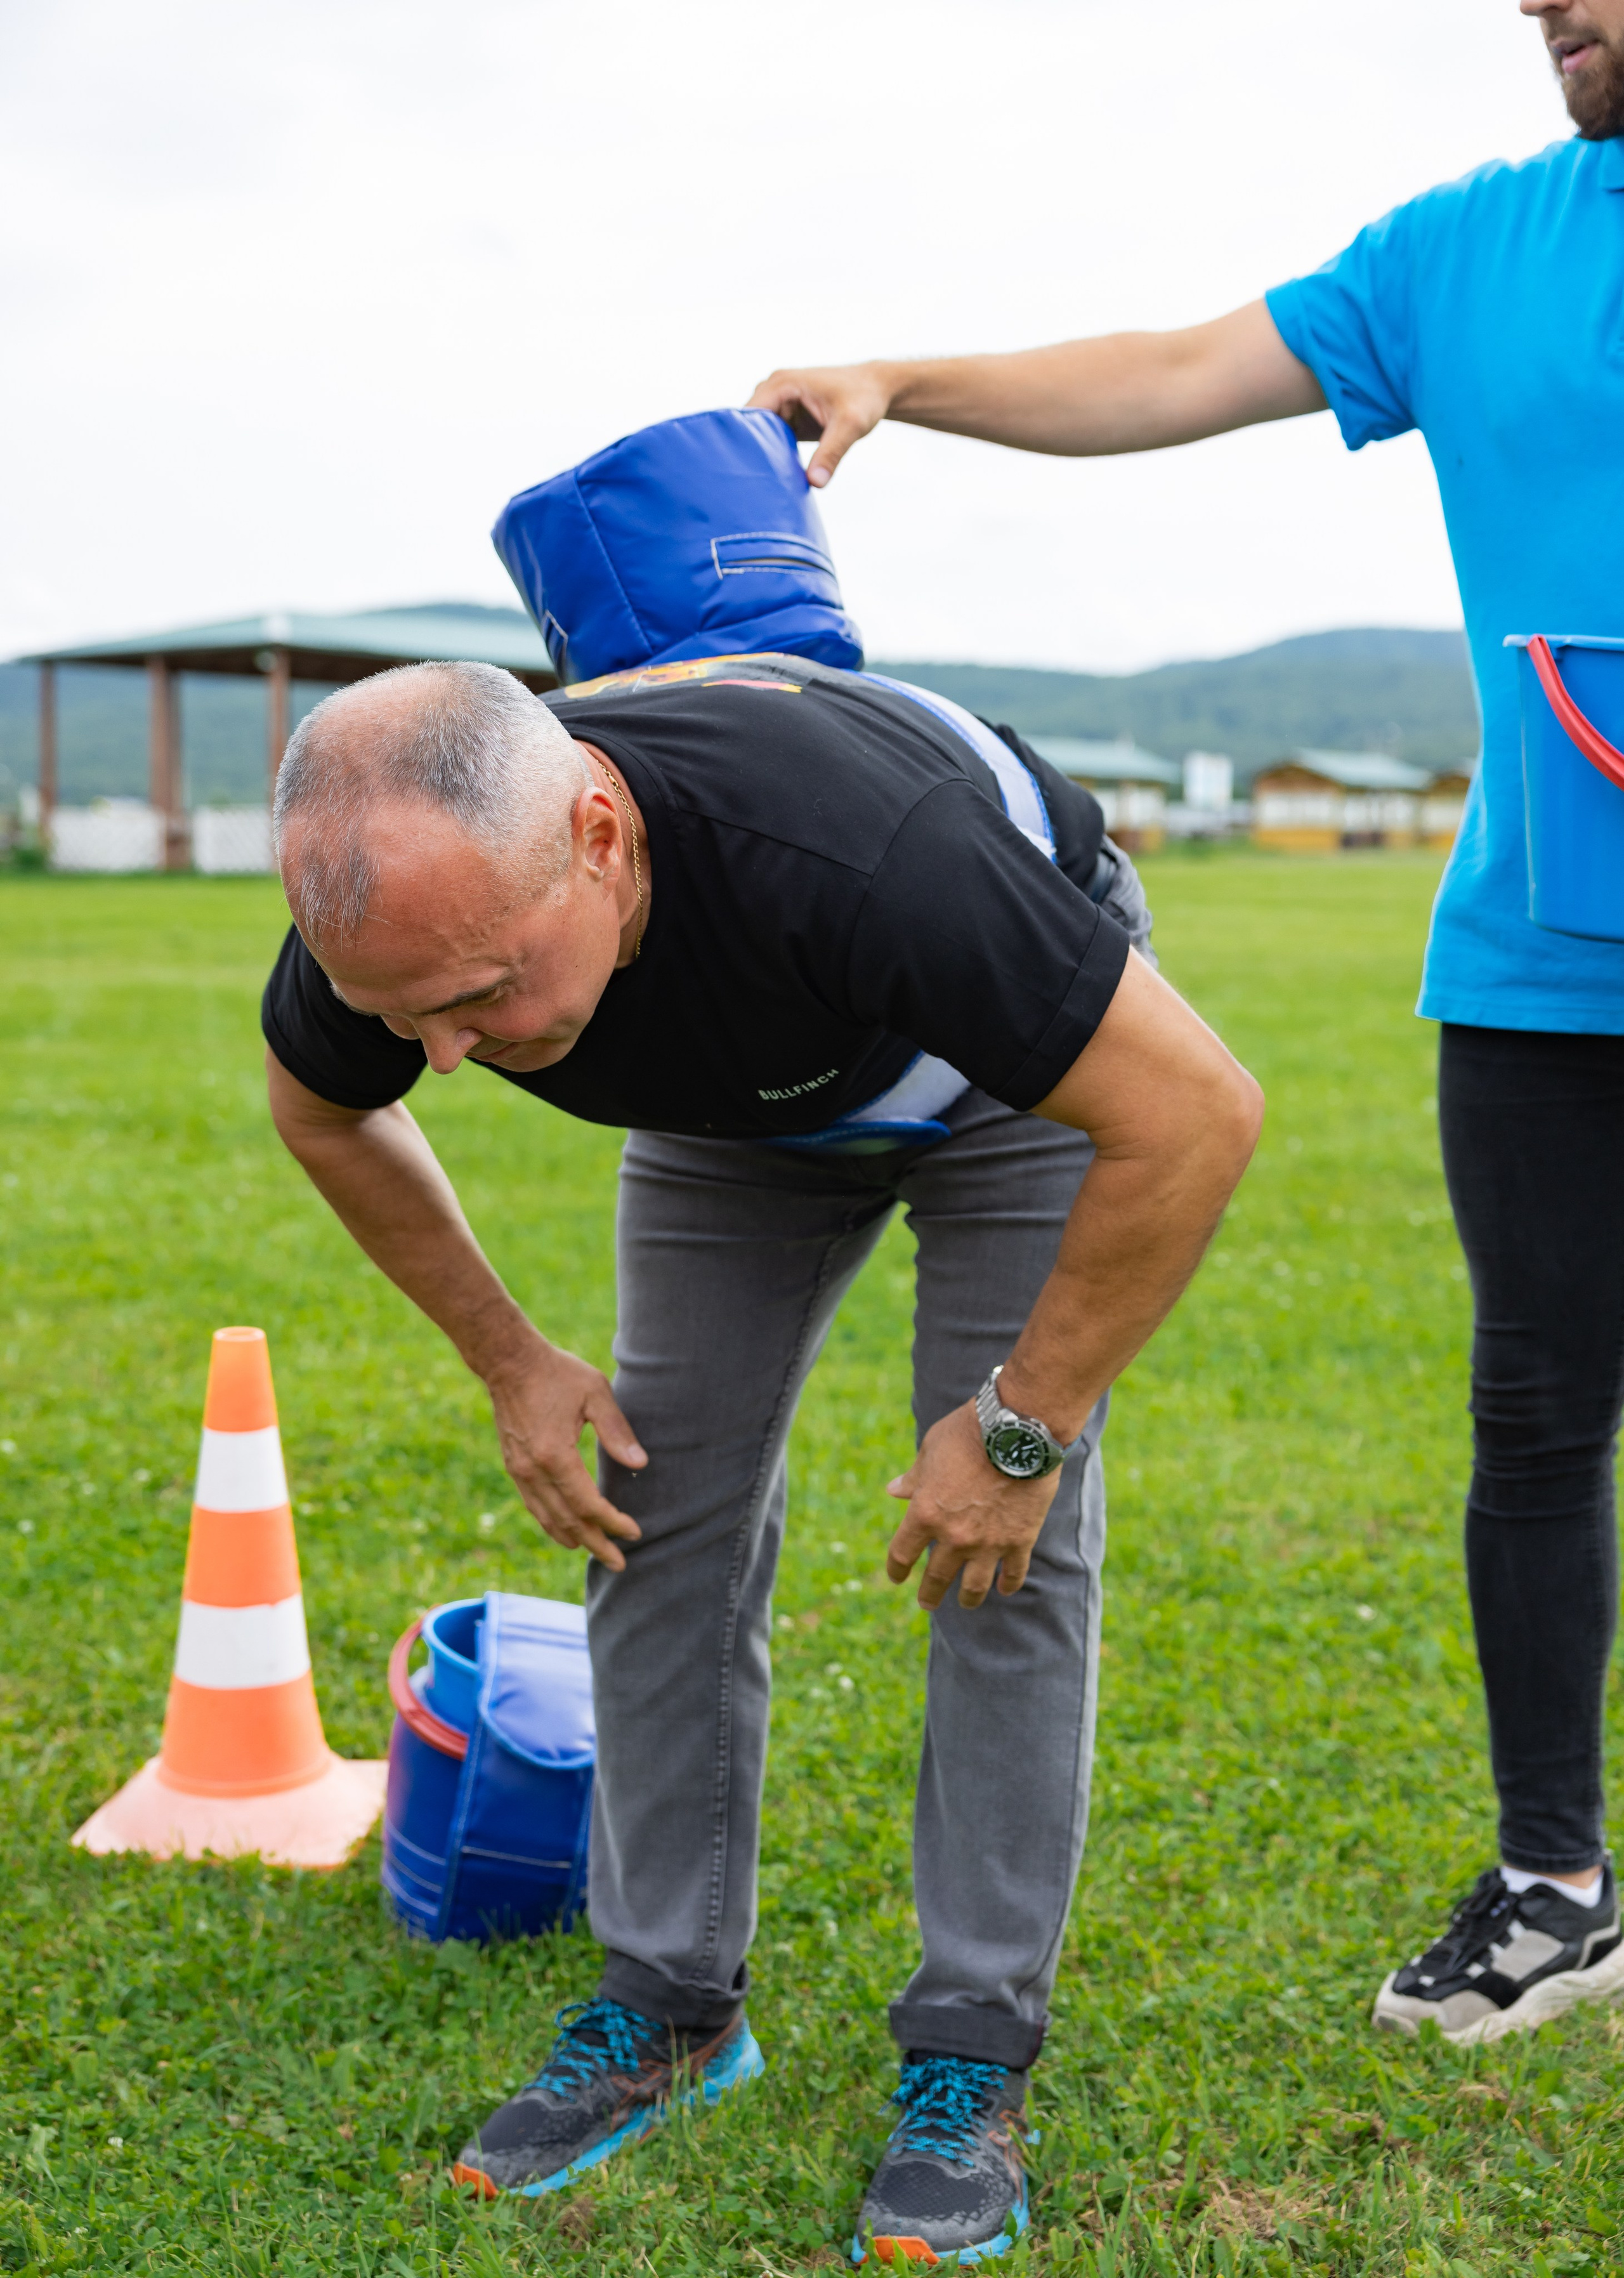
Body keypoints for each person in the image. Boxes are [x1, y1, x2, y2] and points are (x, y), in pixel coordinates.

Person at [750, 0, 1624, 2050]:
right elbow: (1169, 370)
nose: (1541, 10)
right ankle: (1556, 1882)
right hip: (1536, 964)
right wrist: (908, 378)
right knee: (1538, 1415)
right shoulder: (1462, 249)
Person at [263, 651, 1260, 2261]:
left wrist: (1021, 1427)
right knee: (647, 1506)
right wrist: (513, 1358)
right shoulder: (401, 916)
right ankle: (665, 2007)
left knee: (1003, 1543)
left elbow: (1195, 1109)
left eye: (482, 994)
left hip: (1002, 1079)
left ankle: (969, 2052)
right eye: (403, 1015)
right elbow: (323, 1109)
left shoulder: (882, 856)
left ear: (599, 831)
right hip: (742, 1111)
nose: (446, 1053)